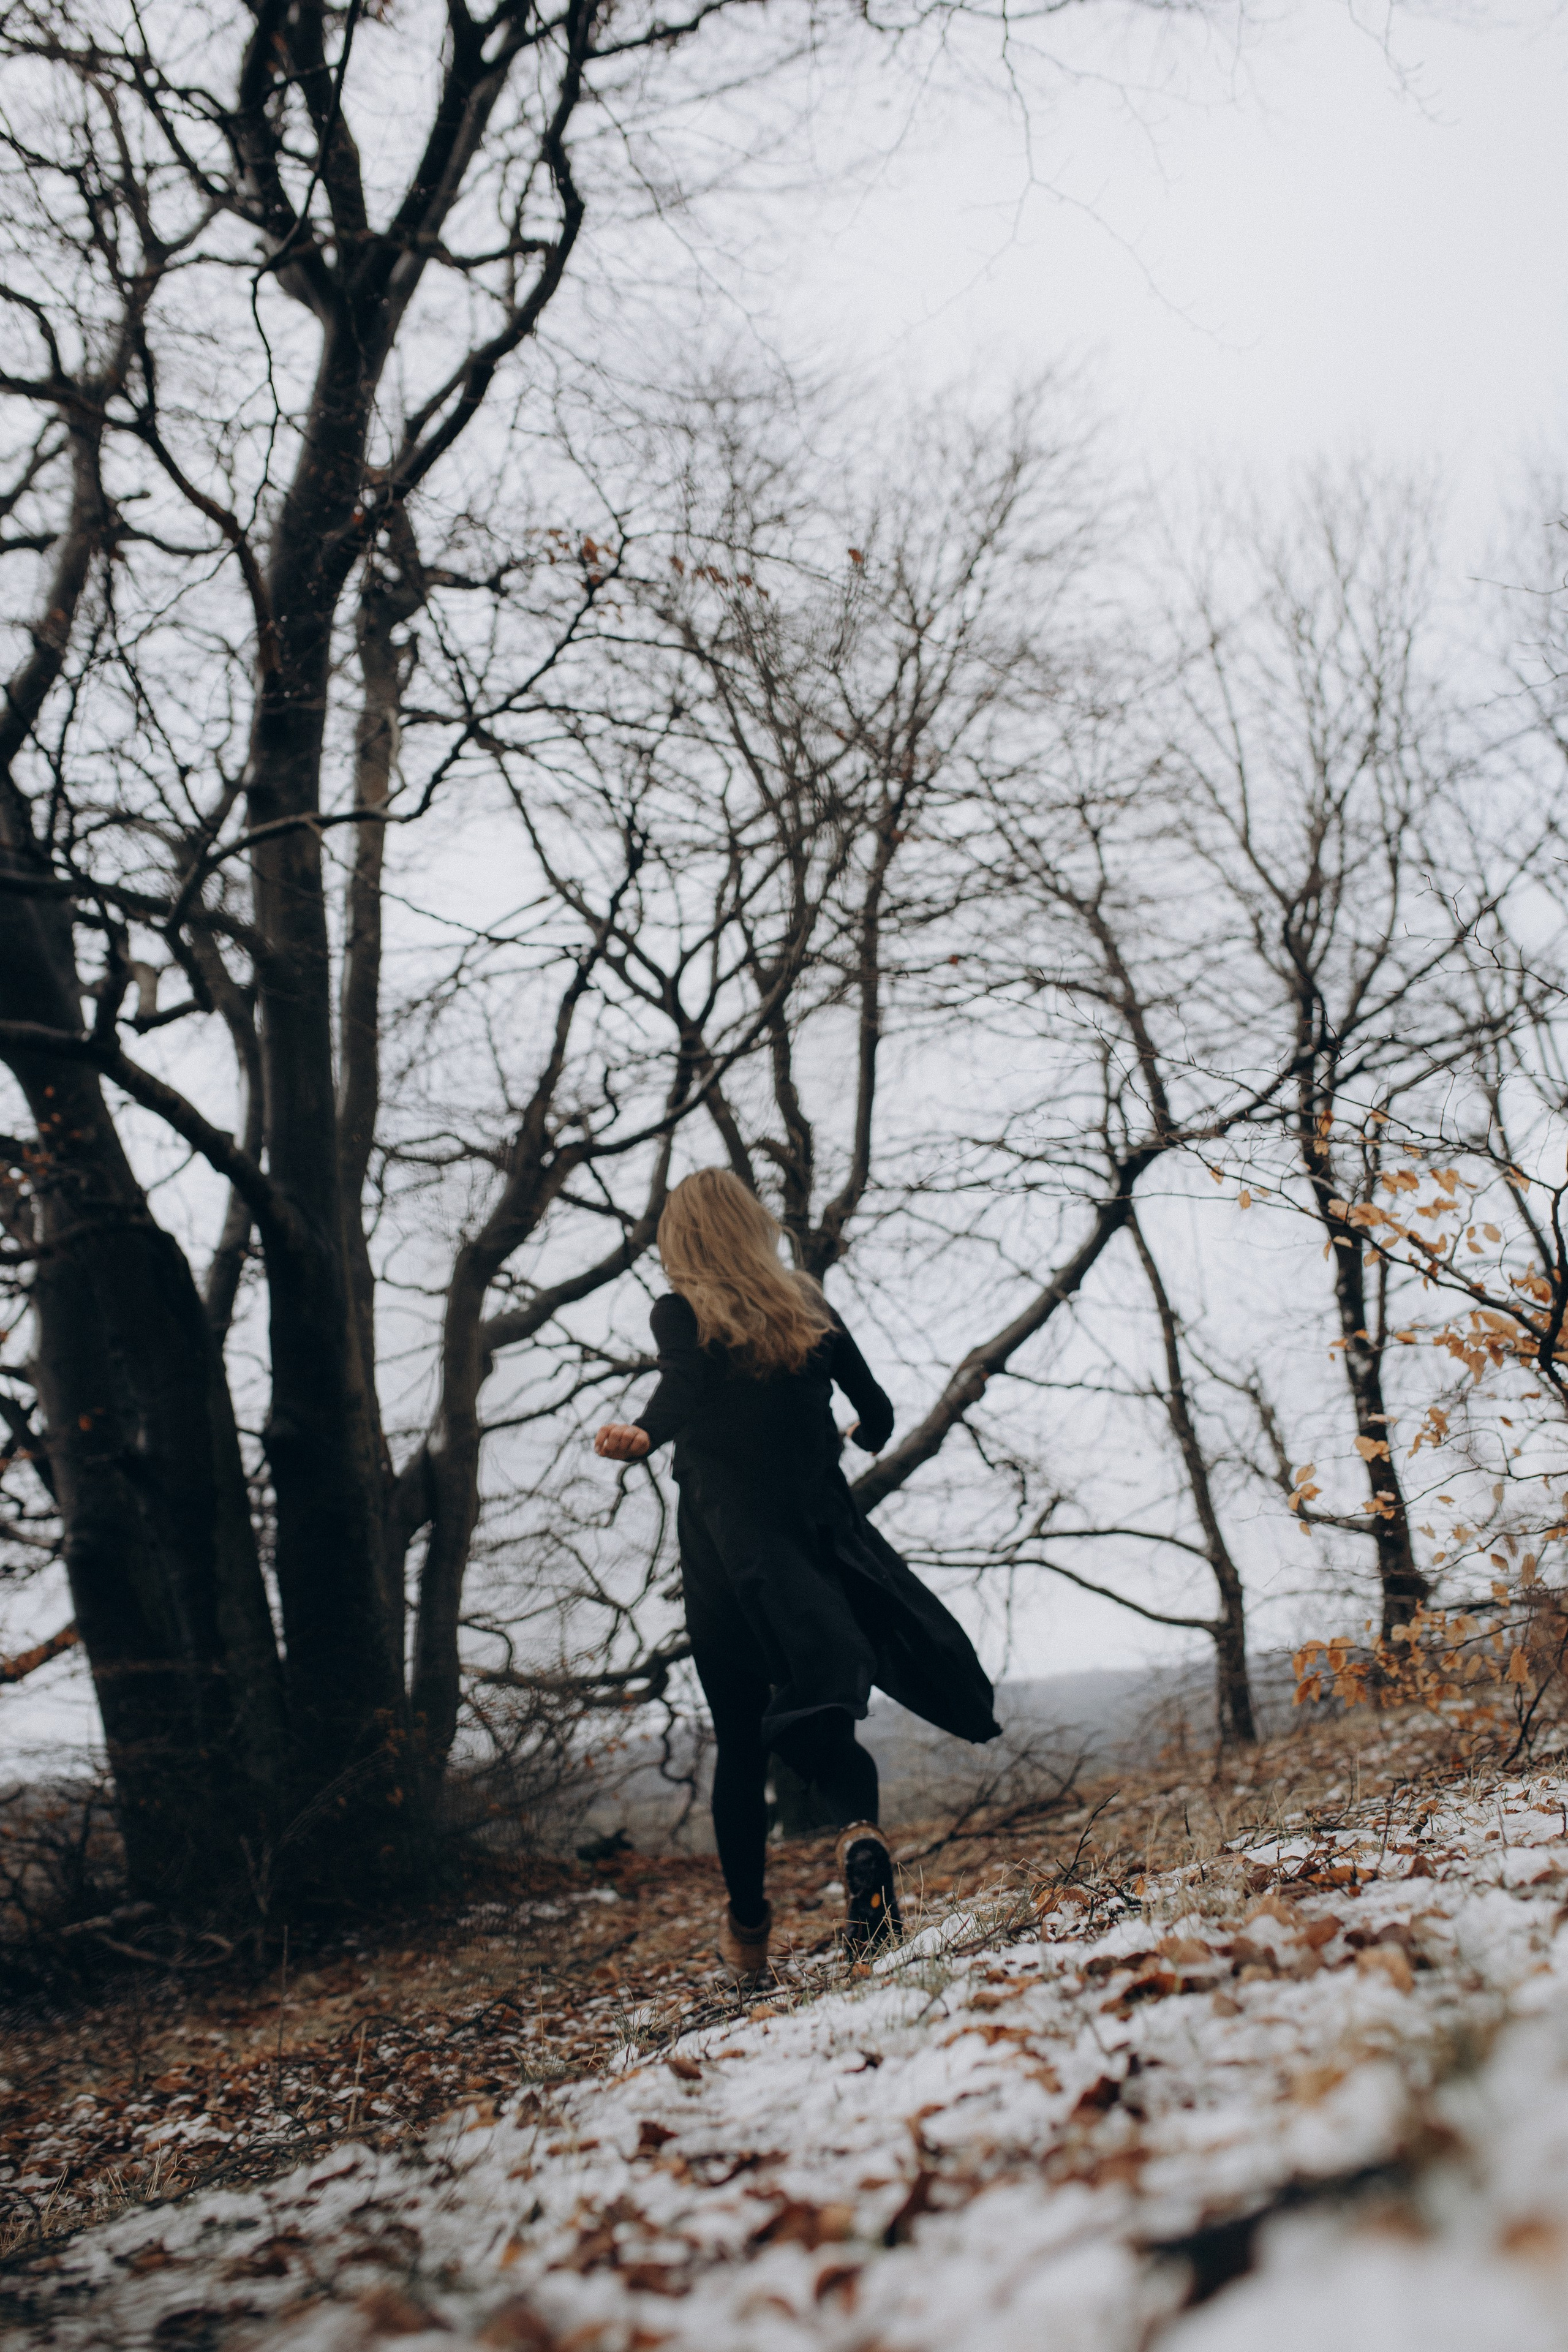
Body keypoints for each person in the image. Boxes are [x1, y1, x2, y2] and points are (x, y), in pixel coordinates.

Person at [594, 1168, 1000, 1986]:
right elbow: (878, 1413)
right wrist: (855, 1432)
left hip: (729, 1561)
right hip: (819, 1550)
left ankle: (748, 1939)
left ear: (683, 1242)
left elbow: (682, 1383)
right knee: (827, 1724)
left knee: (742, 1746)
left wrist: (643, 1434)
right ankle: (861, 1839)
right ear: (754, 1228)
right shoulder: (807, 1306)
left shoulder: (682, 1315)